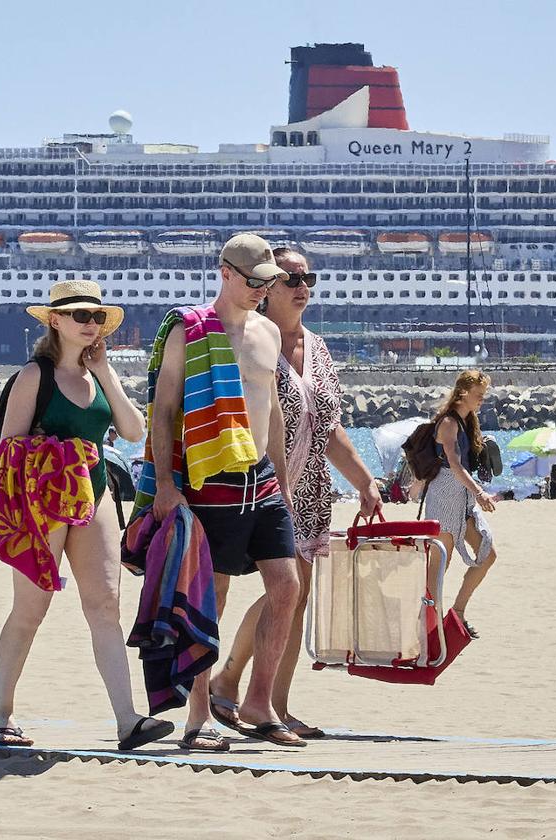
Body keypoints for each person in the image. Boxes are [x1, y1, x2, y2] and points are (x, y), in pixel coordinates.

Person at [0, 279, 173, 752]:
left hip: (95, 494)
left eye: (96, 318)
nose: (90, 325)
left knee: (106, 603)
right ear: (55, 321)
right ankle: (1, 713)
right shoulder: (35, 376)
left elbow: (132, 432)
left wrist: (106, 372)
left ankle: (127, 720)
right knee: (32, 609)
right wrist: (63, 454)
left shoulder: (96, 376)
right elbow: (10, 450)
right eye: (80, 316)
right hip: (42, 501)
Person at [208, 246, 382, 741]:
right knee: (278, 590)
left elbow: (327, 426)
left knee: (292, 595)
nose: (302, 286)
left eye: (309, 278)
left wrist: (365, 480)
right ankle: (226, 683)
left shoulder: (319, 347)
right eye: (290, 278)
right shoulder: (247, 339)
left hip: (308, 489)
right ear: (266, 286)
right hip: (253, 482)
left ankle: (266, 701)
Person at [148, 233, 302, 750]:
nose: (264, 290)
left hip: (261, 481)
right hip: (209, 479)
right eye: (256, 281)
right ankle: (198, 718)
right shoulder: (189, 331)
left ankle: (258, 701)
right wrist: (166, 484)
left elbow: (273, 408)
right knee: (209, 597)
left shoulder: (267, 332)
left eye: (270, 282)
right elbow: (165, 408)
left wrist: (282, 476)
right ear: (226, 272)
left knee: (287, 586)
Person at [423, 370, 499, 639]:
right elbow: (454, 464)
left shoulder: (468, 421)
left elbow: (466, 460)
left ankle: (458, 613)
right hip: (444, 495)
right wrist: (479, 492)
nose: (482, 400)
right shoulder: (448, 423)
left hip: (462, 497)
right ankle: (427, 629)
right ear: (463, 393)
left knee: (487, 556)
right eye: (479, 395)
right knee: (439, 566)